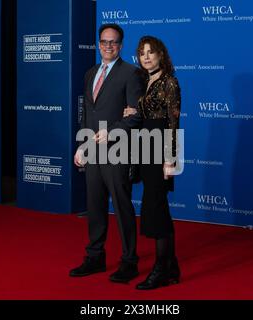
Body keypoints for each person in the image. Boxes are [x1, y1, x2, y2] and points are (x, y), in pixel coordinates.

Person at [70, 24, 143, 283]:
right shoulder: (90, 73)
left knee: (122, 207)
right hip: (93, 152)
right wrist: (82, 144)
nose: (108, 46)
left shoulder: (131, 73)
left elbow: (136, 116)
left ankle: (129, 261)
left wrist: (111, 132)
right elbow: (87, 114)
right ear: (98, 44)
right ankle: (95, 257)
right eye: (104, 41)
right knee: (95, 205)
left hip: (117, 150)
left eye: (113, 42)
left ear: (121, 45)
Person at [123, 36, 181, 290]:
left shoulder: (170, 82)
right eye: (141, 53)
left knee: (156, 209)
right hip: (145, 146)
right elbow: (144, 114)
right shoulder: (145, 81)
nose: (146, 57)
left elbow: (172, 122)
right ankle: (171, 265)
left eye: (151, 52)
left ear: (161, 55)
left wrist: (170, 159)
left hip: (160, 149)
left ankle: (161, 269)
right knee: (157, 209)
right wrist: (134, 111)